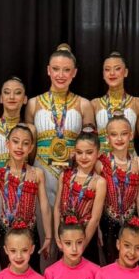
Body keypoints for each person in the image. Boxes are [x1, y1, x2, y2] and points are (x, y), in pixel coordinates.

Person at [25, 44, 95, 207]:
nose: (61, 75)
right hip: (40, 170)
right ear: (48, 70)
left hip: (74, 171)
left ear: (74, 73)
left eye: (66, 70)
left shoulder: (84, 104)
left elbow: (91, 144)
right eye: (56, 69)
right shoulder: (33, 104)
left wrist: (77, 154)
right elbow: (28, 145)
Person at [0, 124, 52, 274]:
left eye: (25, 143)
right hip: (6, 231)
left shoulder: (37, 173)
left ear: (31, 147)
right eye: (15, 141)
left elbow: (45, 206)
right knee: (7, 273)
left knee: (33, 272)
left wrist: (48, 236)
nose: (20, 147)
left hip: (30, 231)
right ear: (7, 144)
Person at [96, 110, 139, 265]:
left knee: (134, 263)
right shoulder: (100, 163)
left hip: (132, 220)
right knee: (111, 263)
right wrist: (97, 227)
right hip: (108, 221)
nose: (119, 139)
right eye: (114, 134)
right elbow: (96, 200)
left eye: (123, 134)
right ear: (107, 138)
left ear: (131, 135)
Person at [53, 129, 106, 266]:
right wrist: (57, 236)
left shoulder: (99, 182)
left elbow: (94, 219)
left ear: (98, 153)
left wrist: (83, 244)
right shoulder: (65, 175)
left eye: (89, 153)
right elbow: (58, 209)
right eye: (79, 152)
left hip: (86, 238)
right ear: (74, 152)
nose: (83, 157)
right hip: (65, 236)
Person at [91, 52, 139, 154]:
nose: (112, 73)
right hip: (102, 163)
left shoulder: (137, 103)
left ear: (126, 72)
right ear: (103, 74)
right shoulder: (94, 104)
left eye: (117, 68)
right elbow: (90, 141)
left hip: (130, 163)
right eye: (107, 69)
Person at [0, 77, 35, 171]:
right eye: (7, 92)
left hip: (22, 183)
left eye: (18, 92)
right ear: (1, 98)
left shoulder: (31, 130)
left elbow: (32, 163)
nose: (11, 97)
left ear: (25, 99)